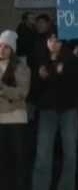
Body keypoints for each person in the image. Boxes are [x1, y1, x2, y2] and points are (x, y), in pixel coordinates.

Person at [32, 34, 78, 190]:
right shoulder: (41, 60)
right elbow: (35, 91)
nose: (53, 43)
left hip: (68, 109)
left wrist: (64, 73)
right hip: (48, 110)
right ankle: (40, 186)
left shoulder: (71, 60)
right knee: (43, 152)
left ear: (62, 42)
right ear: (46, 42)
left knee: (70, 152)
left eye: (57, 40)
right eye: (50, 40)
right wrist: (42, 78)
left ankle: (66, 186)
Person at [0, 29, 31, 190]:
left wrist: (2, 89)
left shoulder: (21, 68)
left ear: (12, 49)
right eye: (0, 46)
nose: (1, 49)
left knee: (19, 163)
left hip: (16, 120)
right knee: (3, 165)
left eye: (6, 46)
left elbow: (21, 92)